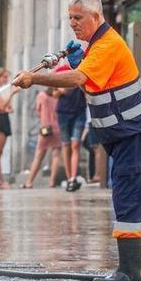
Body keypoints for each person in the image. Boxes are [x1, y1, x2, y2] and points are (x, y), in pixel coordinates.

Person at [12, 0, 141, 281]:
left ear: (96, 16)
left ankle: (129, 271)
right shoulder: (97, 48)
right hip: (134, 132)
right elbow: (90, 81)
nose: (73, 24)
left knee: (129, 198)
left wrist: (34, 78)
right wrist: (76, 63)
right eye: (70, 19)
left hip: (132, 134)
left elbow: (78, 80)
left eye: (78, 18)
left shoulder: (107, 45)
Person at [54, 64, 88, 192]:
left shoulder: (83, 70)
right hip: (63, 112)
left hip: (79, 111)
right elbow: (54, 92)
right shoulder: (62, 69)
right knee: (66, 145)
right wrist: (60, 88)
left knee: (75, 144)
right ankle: (69, 179)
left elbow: (88, 90)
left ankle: (73, 178)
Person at [22, 87, 62, 188]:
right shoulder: (58, 96)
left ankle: (29, 182)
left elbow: (38, 112)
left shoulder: (42, 95)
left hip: (45, 128)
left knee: (39, 155)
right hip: (57, 128)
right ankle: (52, 182)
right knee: (56, 155)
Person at [0, 68, 19, 189]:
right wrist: (12, 94)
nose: (6, 79)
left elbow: (9, 108)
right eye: (4, 77)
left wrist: (6, 105)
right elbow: (2, 106)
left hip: (4, 118)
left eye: (7, 77)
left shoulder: (4, 90)